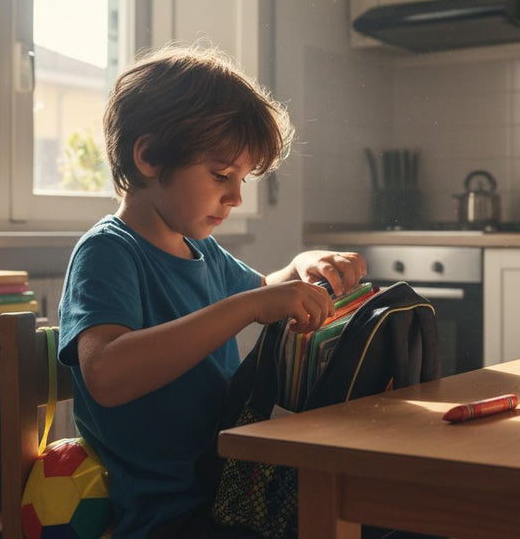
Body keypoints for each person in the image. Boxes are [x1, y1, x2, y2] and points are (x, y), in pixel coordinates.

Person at [58, 45, 367, 538]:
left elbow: (264, 292)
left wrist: (301, 266)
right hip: (172, 514)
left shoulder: (203, 253)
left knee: (379, 510)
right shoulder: (108, 252)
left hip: (233, 489)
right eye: (222, 175)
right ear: (149, 156)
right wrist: (250, 305)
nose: (236, 197)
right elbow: (106, 374)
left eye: (242, 179)